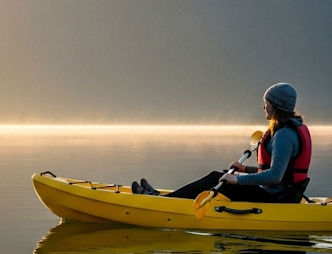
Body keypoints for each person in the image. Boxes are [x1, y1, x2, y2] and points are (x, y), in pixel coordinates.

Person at [133, 83, 312, 203]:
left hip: (277, 196)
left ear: (276, 106)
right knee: (224, 175)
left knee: (215, 178)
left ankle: (165, 202)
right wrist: (245, 170)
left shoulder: (284, 136)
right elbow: (279, 170)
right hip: (280, 192)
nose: (263, 107)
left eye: (266, 103)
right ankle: (166, 197)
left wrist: (237, 180)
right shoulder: (287, 129)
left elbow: (275, 176)